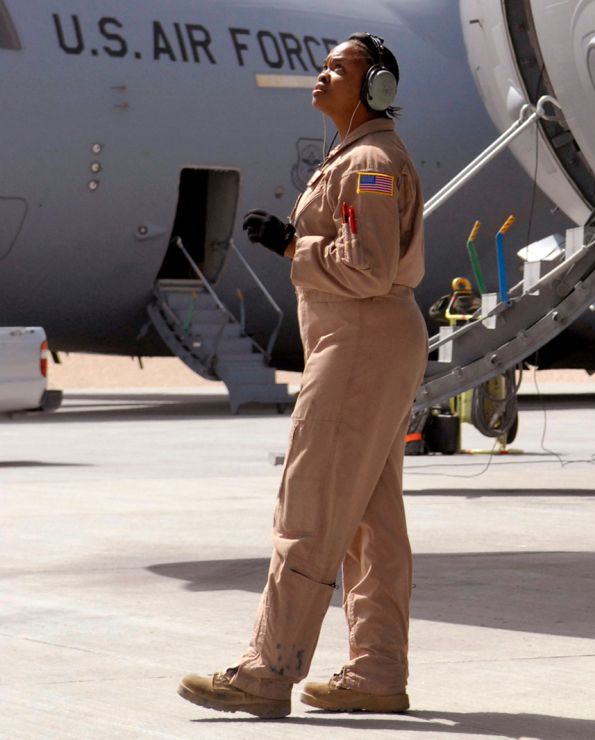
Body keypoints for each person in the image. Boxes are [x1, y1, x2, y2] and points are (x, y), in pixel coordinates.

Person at [177, 33, 426, 719]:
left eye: (339, 69)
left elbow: (370, 268)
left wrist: (294, 245)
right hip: (366, 342)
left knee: (311, 505)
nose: (322, 76)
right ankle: (375, 672)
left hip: (359, 342)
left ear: (374, 88)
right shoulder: (356, 157)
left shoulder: (370, 162)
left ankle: (267, 671)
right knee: (371, 517)